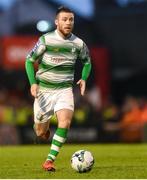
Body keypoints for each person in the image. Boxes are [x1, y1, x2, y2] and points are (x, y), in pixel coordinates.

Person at [25, 6, 91, 171]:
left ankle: (49, 160)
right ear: (56, 22)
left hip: (64, 90)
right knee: (40, 132)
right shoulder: (46, 40)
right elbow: (29, 61)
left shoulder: (78, 43)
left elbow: (87, 62)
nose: (68, 22)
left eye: (71, 19)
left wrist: (83, 78)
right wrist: (33, 82)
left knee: (65, 122)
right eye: (64, 19)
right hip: (44, 91)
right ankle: (43, 130)